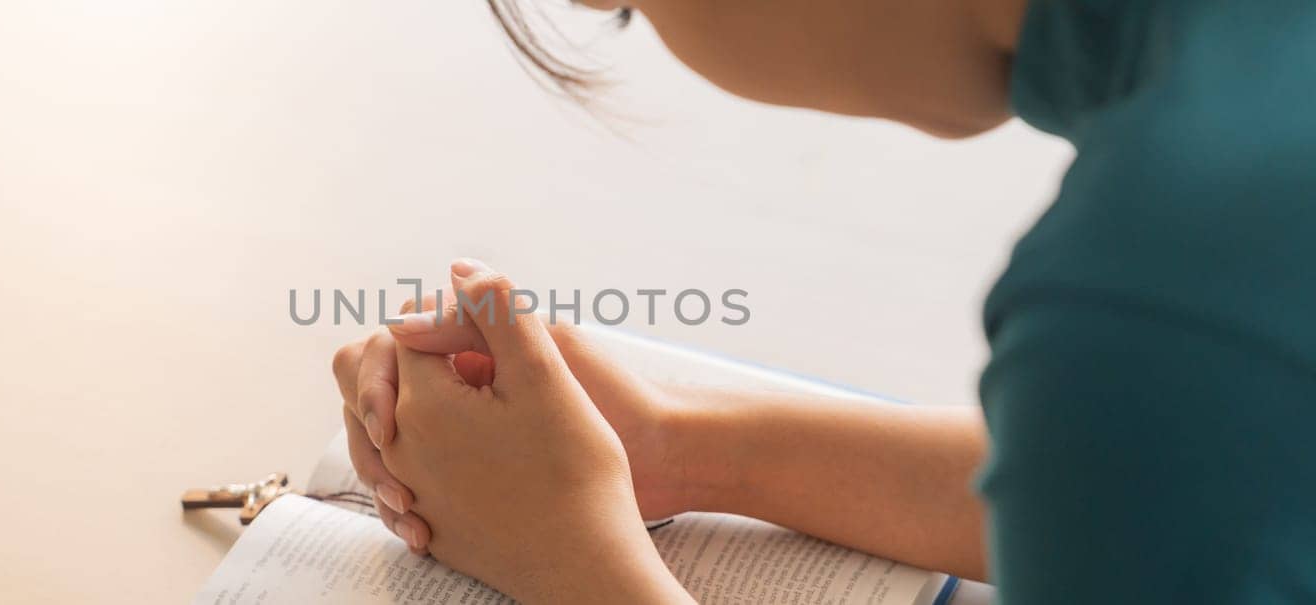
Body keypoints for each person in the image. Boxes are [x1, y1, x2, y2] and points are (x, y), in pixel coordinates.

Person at [331, 1, 1316, 603]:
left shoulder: (1154, 294)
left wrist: (574, 570)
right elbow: (1204, 474)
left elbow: (1178, 386)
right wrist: (674, 444)